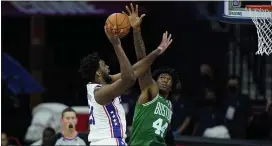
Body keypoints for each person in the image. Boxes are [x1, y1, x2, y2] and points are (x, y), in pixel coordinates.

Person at [79, 17, 173, 145]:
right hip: (108, 142)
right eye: (103, 65)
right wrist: (117, 45)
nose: (107, 66)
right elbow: (129, 79)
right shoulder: (100, 93)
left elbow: (137, 68)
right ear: (98, 73)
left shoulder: (105, 84)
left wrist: (158, 50)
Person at [123, 4, 176, 146]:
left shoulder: (169, 105)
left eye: (168, 79)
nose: (165, 80)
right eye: (162, 78)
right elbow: (142, 61)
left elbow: (166, 132)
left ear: (172, 86)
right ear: (155, 81)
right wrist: (136, 31)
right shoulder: (151, 92)